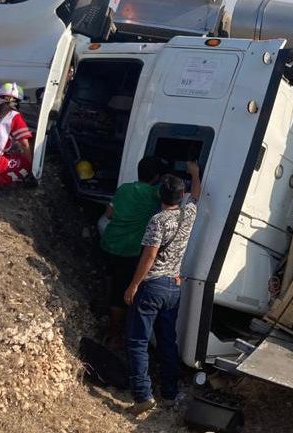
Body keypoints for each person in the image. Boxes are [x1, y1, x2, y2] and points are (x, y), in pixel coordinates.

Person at [124, 161, 201, 416]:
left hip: (152, 287)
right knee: (168, 341)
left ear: (160, 195)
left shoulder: (157, 221)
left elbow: (149, 256)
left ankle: (143, 395)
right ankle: (170, 393)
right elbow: (196, 195)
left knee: (137, 341)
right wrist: (195, 174)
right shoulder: (188, 213)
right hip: (173, 288)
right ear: (181, 196)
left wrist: (134, 285)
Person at [99, 155, 167, 350]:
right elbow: (171, 195)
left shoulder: (124, 189)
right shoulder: (154, 194)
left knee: (110, 279)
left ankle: (104, 310)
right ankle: (114, 336)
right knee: (120, 295)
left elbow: (109, 214)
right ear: (156, 177)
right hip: (128, 251)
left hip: (109, 243)